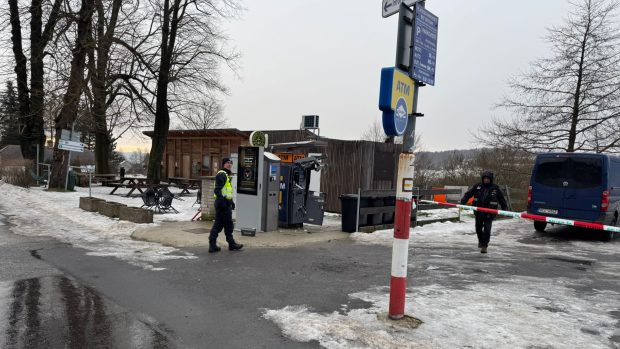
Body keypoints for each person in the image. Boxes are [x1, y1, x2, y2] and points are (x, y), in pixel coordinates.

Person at [460, 171, 508, 254]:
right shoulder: (477, 186)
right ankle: (481, 241)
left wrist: (505, 208)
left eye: (488, 179)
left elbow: (501, 199)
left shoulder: (495, 188)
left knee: (487, 229)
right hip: (478, 212)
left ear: (491, 179)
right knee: (478, 228)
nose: (486, 180)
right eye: (484, 178)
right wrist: (463, 202)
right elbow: (468, 194)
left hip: (489, 213)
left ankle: (484, 246)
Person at [209, 158, 243, 253]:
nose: (229, 164)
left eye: (230, 163)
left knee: (219, 225)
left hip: (224, 203)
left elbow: (226, 191)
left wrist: (231, 201)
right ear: (223, 164)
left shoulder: (226, 175)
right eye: (227, 163)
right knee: (228, 225)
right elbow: (217, 190)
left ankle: (212, 245)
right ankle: (231, 244)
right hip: (222, 204)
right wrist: (223, 203)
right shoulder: (222, 174)